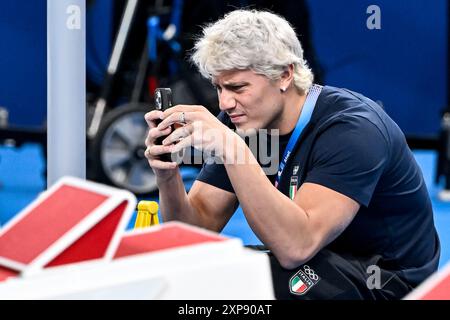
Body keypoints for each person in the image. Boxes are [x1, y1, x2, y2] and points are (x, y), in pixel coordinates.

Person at [144, 9, 440, 300]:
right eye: (218, 87)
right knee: (198, 275)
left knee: (245, 290)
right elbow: (192, 236)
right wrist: (167, 174)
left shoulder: (353, 130)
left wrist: (233, 150)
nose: (225, 102)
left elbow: (296, 246)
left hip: (386, 280)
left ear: (285, 75)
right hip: (320, 260)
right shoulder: (246, 121)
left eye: (238, 87)